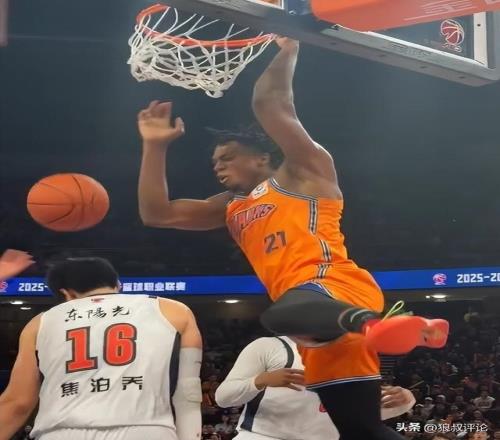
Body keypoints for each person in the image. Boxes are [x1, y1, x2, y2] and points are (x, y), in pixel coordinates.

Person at [137, 37, 448, 439]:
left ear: (263, 157)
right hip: (314, 322)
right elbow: (157, 214)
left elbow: (272, 104)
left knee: (279, 315)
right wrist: (154, 146)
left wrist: (288, 46)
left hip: (336, 288)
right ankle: (371, 329)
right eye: (214, 162)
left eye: (227, 157)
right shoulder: (229, 206)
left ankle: (374, 325)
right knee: (360, 430)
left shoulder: (304, 173)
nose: (218, 166)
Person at [0, 257, 202, 440]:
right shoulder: (173, 310)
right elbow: (188, 394)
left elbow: (18, 403)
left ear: (66, 294)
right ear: (118, 285)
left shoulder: (41, 323)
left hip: (61, 432)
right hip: (147, 430)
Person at [215, 336, 416, 439]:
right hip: (262, 436)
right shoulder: (270, 346)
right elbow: (223, 398)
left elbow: (364, 417)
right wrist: (260, 380)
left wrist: (406, 400)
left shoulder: (356, 359)